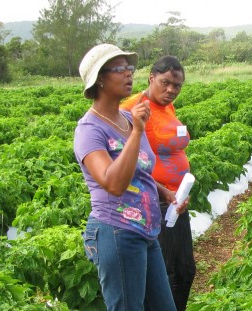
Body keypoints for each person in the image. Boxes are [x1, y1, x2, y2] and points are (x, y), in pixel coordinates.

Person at [74, 43, 176, 311]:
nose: (129, 74)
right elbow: (114, 183)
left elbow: (138, 169)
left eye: (129, 67)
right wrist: (136, 134)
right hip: (116, 231)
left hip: (146, 231)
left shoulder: (127, 118)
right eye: (119, 69)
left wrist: (164, 192)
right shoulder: (89, 130)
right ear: (100, 80)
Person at [119, 55, 194, 311]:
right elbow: (122, 158)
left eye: (177, 86)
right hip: (154, 202)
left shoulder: (167, 107)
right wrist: (163, 192)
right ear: (151, 78)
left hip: (175, 200)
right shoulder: (133, 108)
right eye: (165, 83)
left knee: (184, 271)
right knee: (170, 273)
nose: (171, 90)